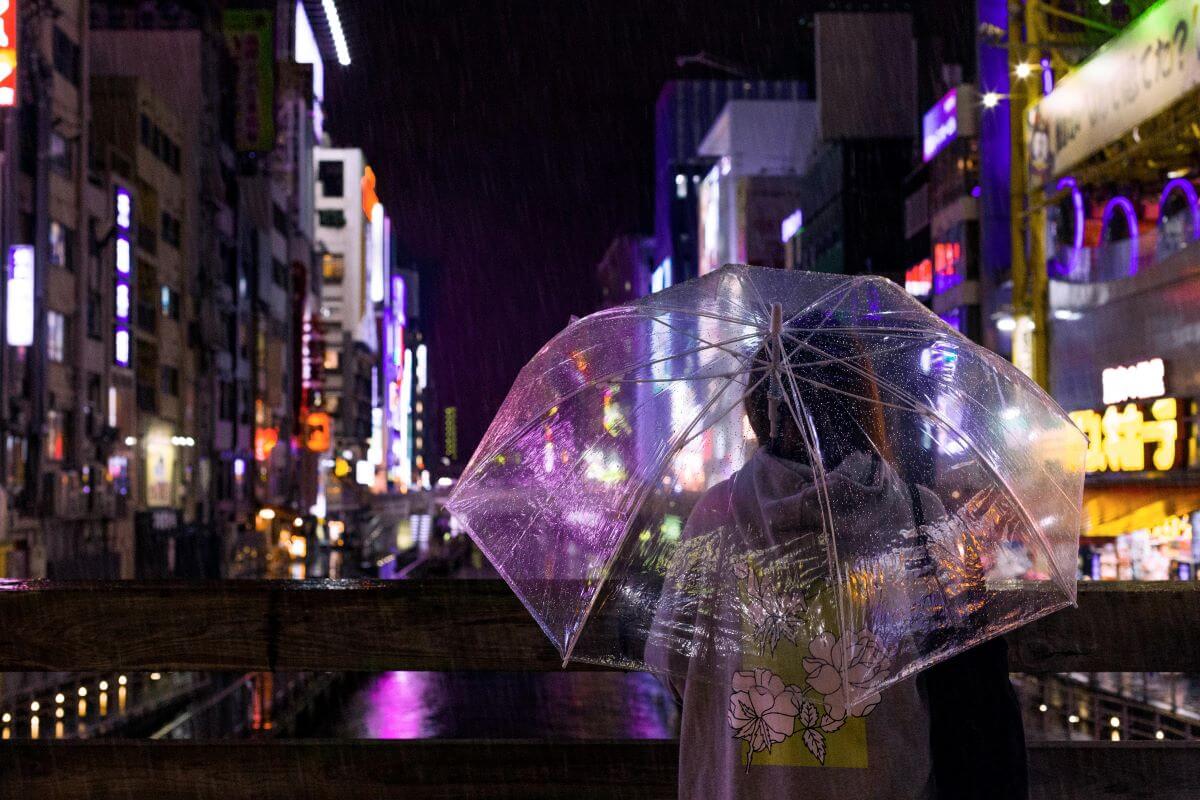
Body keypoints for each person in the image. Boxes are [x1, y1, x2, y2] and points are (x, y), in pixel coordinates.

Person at [648, 325, 1027, 800]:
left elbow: (673, 664)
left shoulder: (714, 517)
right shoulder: (916, 512)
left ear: (763, 409)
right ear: (864, 404)